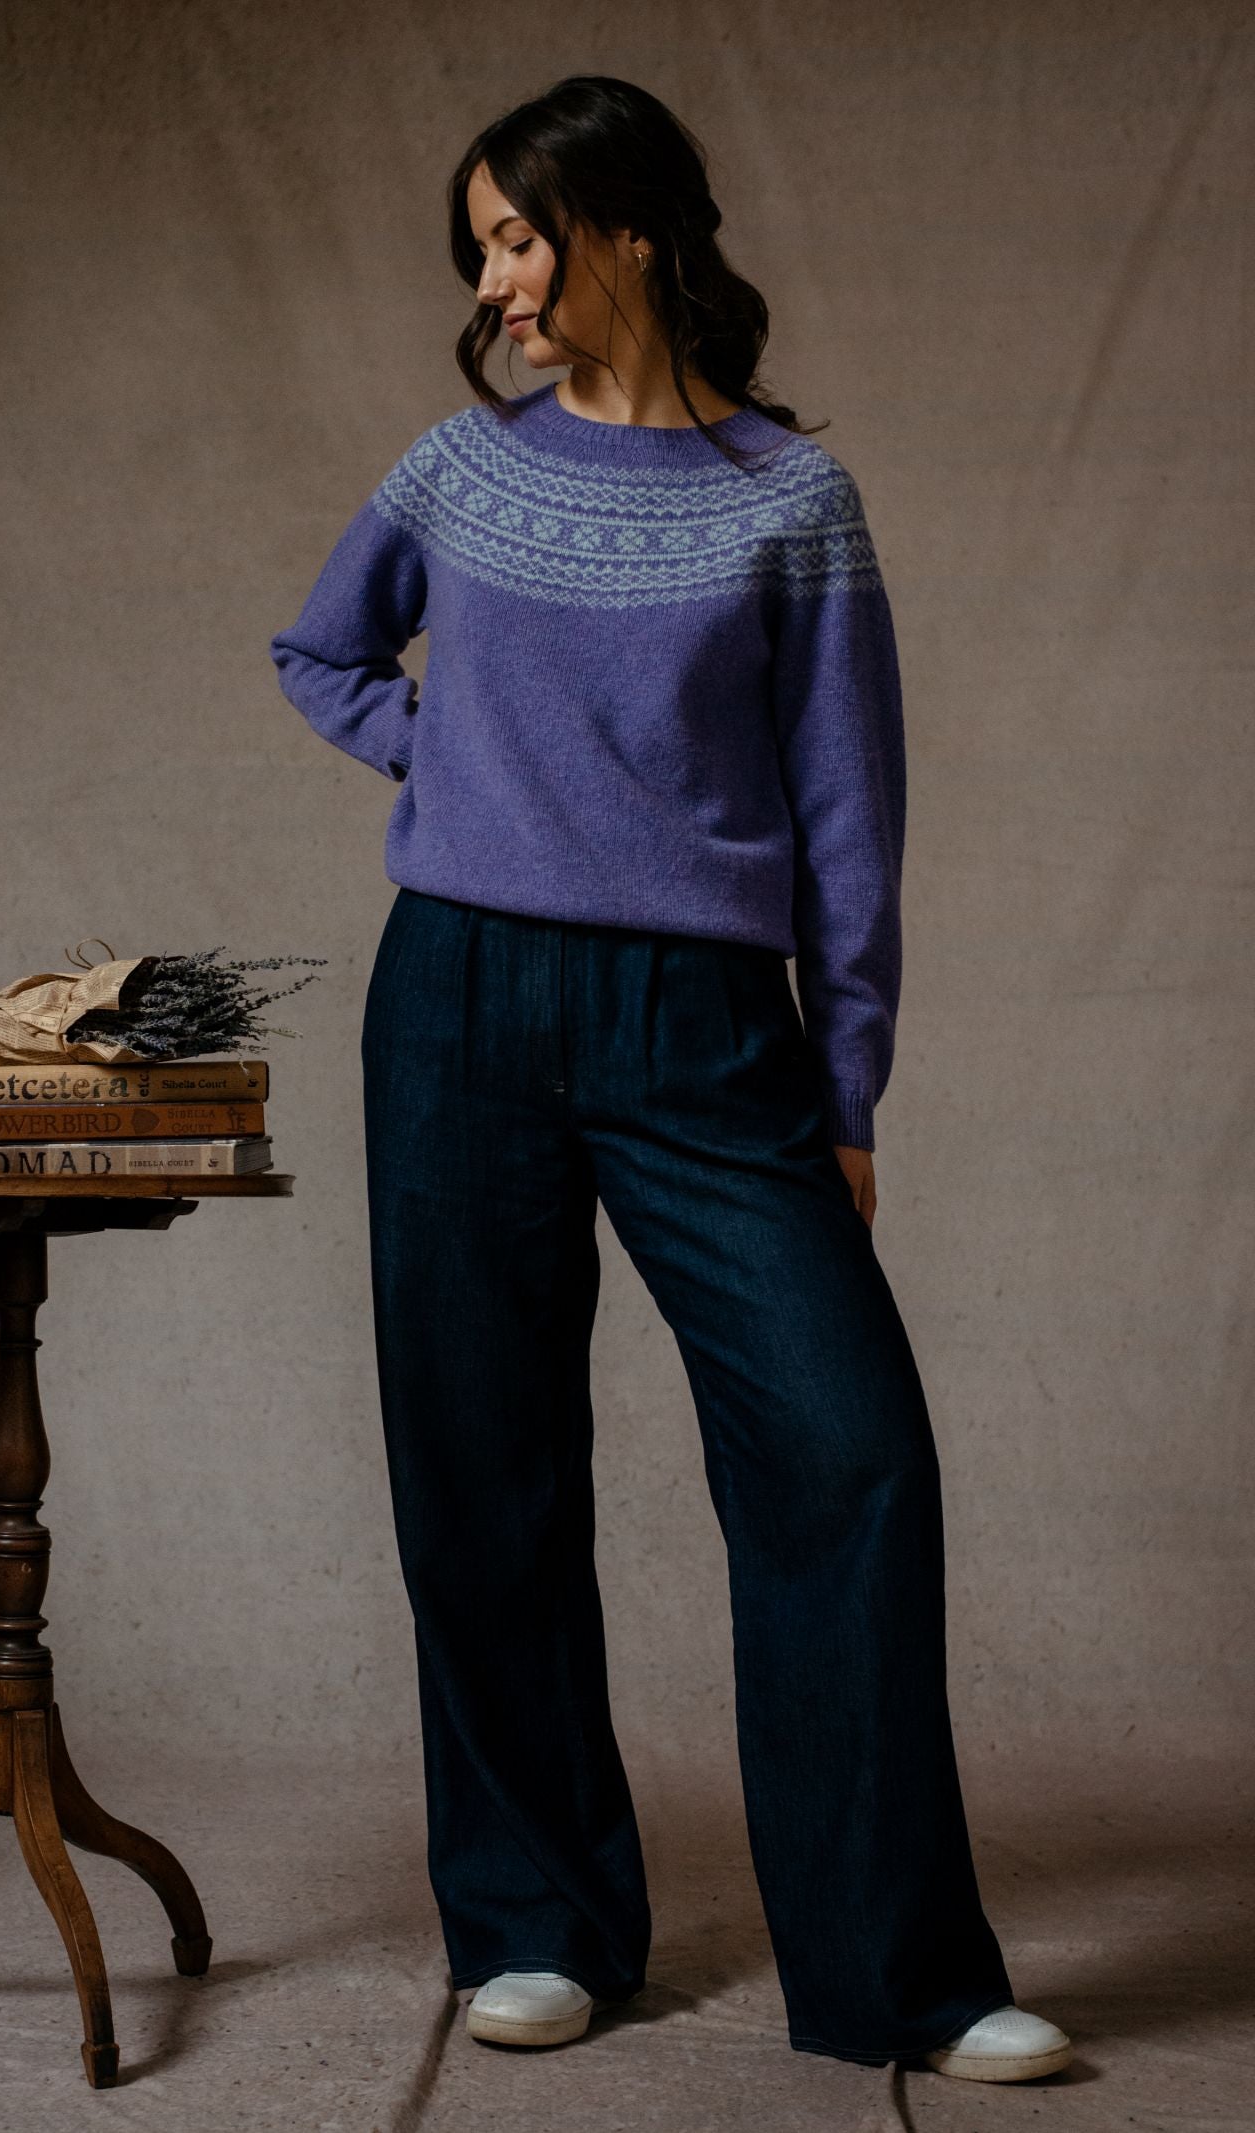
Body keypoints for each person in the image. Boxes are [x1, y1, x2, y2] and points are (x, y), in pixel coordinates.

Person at [269, 74, 1072, 2086]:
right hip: (454, 1000)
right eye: (478, 247)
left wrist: (852, 1083)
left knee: (846, 1447)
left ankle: (898, 1969)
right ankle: (535, 1916)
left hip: (712, 1028)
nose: (495, 280)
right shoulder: (459, 469)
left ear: (628, 231)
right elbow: (319, 653)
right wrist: (444, 767)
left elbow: (845, 816)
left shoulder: (787, 499)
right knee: (482, 1457)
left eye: (521, 236)